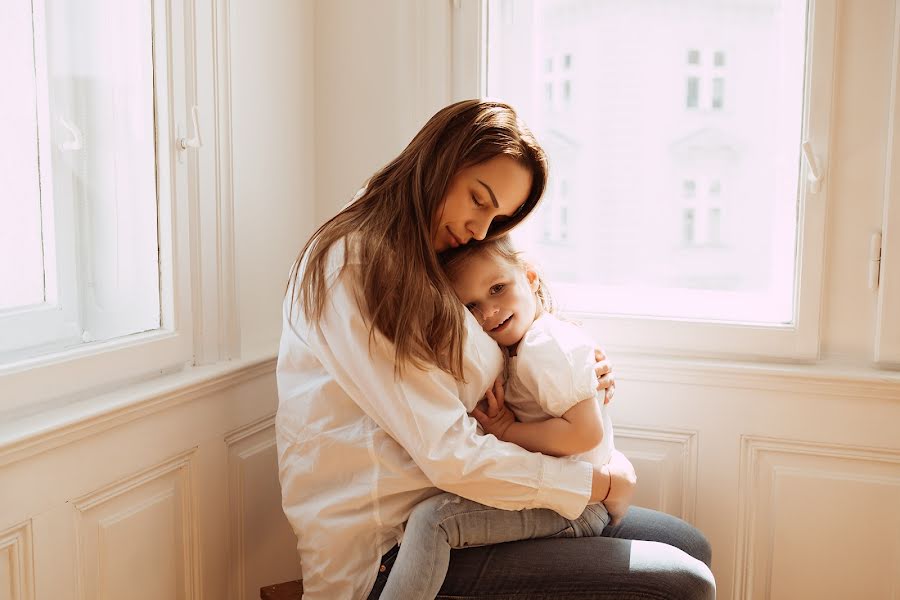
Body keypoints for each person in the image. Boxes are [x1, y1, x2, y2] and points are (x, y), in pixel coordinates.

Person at [276, 99, 715, 599]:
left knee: (688, 543)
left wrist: (572, 372)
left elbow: (486, 359)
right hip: (396, 545)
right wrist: (594, 484)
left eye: (498, 218)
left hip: (468, 503)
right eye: (479, 200)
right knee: (682, 584)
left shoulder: (432, 255)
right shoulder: (355, 266)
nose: (480, 230)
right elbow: (450, 455)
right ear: (440, 161)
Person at [378, 235, 633, 600]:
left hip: (574, 506)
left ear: (529, 277)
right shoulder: (522, 346)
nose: (488, 312)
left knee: (433, 520)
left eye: (498, 288)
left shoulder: (544, 345)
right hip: (570, 496)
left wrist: (507, 430)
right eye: (472, 306)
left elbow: (584, 434)